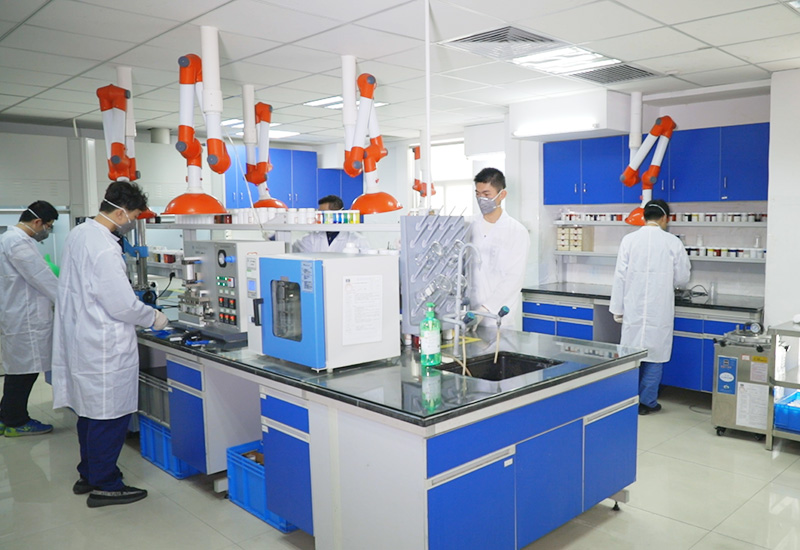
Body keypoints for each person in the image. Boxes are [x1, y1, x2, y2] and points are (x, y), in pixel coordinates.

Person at [52, 181, 169, 508]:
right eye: (133, 216)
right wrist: (154, 317)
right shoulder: (104, 247)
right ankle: (106, 485)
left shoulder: (80, 233)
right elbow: (121, 304)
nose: (131, 222)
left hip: (84, 337)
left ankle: (89, 474)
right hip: (104, 344)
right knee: (108, 417)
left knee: (89, 414)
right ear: (120, 213)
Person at [610, 199, 691, 416]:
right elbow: (682, 278)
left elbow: (619, 276)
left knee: (632, 354)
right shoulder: (672, 242)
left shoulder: (629, 240)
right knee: (655, 355)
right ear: (664, 218)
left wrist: (617, 308)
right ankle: (647, 402)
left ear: (643, 217)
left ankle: (628, 400)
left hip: (633, 307)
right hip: (659, 308)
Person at [0, 201, 60, 437]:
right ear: (37, 222)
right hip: (26, 318)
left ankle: (5, 416)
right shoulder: (18, 243)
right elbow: (42, 277)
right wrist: (71, 300)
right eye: (48, 226)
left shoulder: (9, 239)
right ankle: (16, 421)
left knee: (19, 370)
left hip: (18, 314)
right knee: (24, 372)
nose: (47, 231)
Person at [469, 168, 530, 330]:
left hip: (499, 319)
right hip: (468, 314)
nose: (481, 199)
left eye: (486, 194)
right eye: (478, 194)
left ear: (502, 195)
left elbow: (514, 278)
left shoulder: (517, 231)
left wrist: (484, 310)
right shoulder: (469, 225)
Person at [292, 195, 370, 253]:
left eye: (324, 214)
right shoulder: (312, 238)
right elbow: (293, 249)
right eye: (319, 213)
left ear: (338, 214)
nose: (320, 217)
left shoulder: (357, 240)